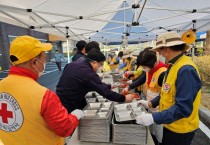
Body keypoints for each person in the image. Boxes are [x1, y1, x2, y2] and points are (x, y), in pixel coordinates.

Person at [0, 36, 84, 145]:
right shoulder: (44, 95)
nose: (44, 63)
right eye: (44, 60)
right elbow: (64, 128)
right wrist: (75, 115)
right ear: (34, 63)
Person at [136, 31, 202, 145]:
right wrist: (151, 103)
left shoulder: (186, 70)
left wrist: (153, 118)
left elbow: (183, 108)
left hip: (181, 128)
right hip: (171, 123)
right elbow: (166, 93)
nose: (160, 54)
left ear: (166, 49)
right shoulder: (173, 66)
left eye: (160, 50)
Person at [56, 48, 134, 113]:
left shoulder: (74, 64)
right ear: (94, 62)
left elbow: (92, 84)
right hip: (70, 102)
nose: (100, 67)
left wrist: (110, 86)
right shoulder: (88, 72)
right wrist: (124, 98)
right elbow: (105, 92)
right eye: (100, 64)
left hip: (60, 98)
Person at [123, 47, 168, 145]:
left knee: (160, 135)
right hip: (150, 106)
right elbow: (141, 79)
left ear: (153, 64)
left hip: (161, 110)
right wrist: (129, 86)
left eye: (144, 67)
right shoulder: (149, 70)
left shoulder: (163, 73)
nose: (144, 69)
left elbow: (165, 95)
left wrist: (151, 103)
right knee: (152, 133)